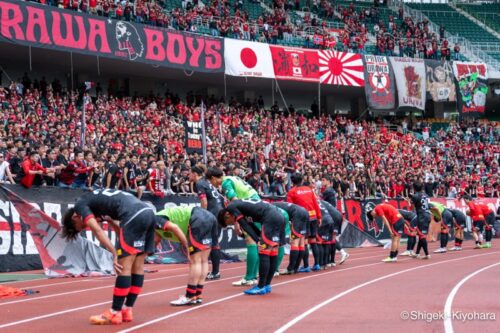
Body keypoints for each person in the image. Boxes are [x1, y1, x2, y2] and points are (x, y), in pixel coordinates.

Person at [61, 189, 160, 325]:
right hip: (148, 213)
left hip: (133, 215)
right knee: (138, 265)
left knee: (123, 267)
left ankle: (114, 312)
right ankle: (127, 310)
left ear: (75, 217)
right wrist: (122, 247)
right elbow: (117, 227)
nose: (84, 226)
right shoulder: (98, 203)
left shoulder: (80, 206)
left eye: (81, 226)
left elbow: (97, 230)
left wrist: (115, 253)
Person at [218, 199, 286, 295]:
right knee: (272, 251)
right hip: (279, 216)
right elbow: (250, 224)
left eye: (231, 223)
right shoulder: (241, 208)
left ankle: (261, 286)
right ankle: (266, 285)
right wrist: (259, 237)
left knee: (263, 251)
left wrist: (258, 240)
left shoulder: (230, 207)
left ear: (227, 215)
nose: (234, 224)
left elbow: (244, 225)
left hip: (270, 217)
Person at [155, 205, 219, 306]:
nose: (156, 244)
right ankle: (197, 295)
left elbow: (175, 228)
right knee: (203, 260)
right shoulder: (159, 231)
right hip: (208, 216)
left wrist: (186, 248)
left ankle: (189, 296)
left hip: (197, 217)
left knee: (195, 261)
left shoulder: (154, 219)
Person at [221, 175, 261, 287]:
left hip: (250, 209)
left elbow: (235, 202)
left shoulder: (226, 182)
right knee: (256, 241)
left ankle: (249, 278)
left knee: (250, 241)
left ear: (213, 178)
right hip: (256, 205)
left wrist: (237, 222)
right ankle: (254, 275)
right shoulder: (234, 178)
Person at [192, 165, 225, 280]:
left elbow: (204, 202)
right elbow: (220, 199)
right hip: (219, 214)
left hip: (212, 215)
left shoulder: (200, 183)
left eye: (190, 174)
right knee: (213, 243)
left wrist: (202, 216)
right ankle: (213, 271)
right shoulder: (209, 183)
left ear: (194, 174)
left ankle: (213, 271)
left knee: (209, 243)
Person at [287, 172, 322, 273]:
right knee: (313, 241)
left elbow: (290, 207)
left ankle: (305, 266)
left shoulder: (291, 192)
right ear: (302, 180)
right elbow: (315, 204)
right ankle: (317, 264)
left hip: (302, 219)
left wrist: (290, 221)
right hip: (313, 217)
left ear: (292, 181)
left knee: (304, 243)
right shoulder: (309, 189)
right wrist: (319, 217)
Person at [272, 201, 309, 275]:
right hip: (305, 212)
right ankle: (295, 268)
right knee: (301, 242)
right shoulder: (276, 204)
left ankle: (290, 268)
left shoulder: (271, 208)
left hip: (297, 214)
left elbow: (282, 218)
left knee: (294, 242)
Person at [409, 183, 432, 259]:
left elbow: (412, 208)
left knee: (422, 236)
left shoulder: (415, 196)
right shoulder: (425, 195)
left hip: (422, 216)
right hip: (428, 214)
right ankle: (417, 253)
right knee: (421, 235)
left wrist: (410, 201)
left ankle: (427, 254)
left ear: (414, 188)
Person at [319, 200, 344, 268]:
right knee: (332, 240)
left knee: (327, 240)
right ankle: (332, 261)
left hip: (332, 218)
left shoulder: (316, 201)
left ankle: (327, 262)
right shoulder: (323, 201)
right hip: (338, 215)